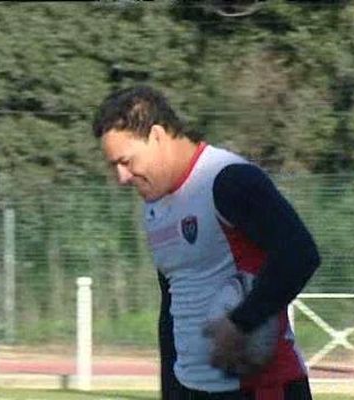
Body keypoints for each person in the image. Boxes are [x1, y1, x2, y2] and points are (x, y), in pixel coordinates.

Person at [92, 85, 320, 400]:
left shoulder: (226, 179)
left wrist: (241, 321)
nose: (122, 177)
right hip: (193, 389)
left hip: (262, 390)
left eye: (126, 161)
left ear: (157, 136)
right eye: (113, 166)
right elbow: (171, 307)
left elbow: (300, 253)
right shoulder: (155, 207)